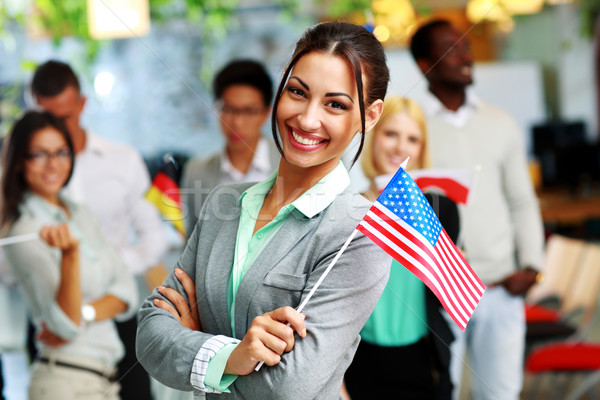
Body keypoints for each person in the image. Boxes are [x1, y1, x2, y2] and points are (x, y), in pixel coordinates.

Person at [136, 21, 391, 399]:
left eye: (335, 104)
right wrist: (231, 355)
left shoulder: (358, 233)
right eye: (298, 92)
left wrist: (199, 344)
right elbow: (149, 335)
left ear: (369, 116)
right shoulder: (225, 203)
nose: (306, 119)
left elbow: (289, 387)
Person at [409, 20, 545, 400]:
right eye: (451, 49)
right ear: (425, 64)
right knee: (442, 393)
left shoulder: (501, 123)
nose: (466, 56)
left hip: (502, 288)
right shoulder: (412, 128)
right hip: (439, 291)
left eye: (466, 47)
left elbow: (522, 201)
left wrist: (532, 265)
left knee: (501, 394)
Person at [31, 60, 167, 400]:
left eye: (64, 118)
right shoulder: (20, 173)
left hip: (117, 319)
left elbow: (153, 240)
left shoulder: (123, 160)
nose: (57, 130)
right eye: (46, 119)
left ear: (82, 105)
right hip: (49, 326)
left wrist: (108, 270)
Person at [1, 111, 138, 399]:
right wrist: (70, 255)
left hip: (105, 381)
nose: (53, 164)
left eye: (61, 152)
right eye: (39, 154)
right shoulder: (21, 232)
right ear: (19, 163)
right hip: (63, 383)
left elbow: (127, 292)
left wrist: (85, 313)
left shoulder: (80, 213)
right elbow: (65, 325)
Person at [343, 96, 455, 400]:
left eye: (412, 139)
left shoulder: (436, 210)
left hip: (422, 360)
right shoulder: (347, 209)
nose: (400, 147)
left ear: (422, 149)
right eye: (391, 134)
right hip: (359, 362)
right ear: (374, 137)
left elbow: (447, 295)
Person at [181, 59, 280, 236]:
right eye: (228, 109)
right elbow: (192, 244)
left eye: (248, 111)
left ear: (266, 113)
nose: (237, 122)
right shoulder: (196, 171)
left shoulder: (287, 165)